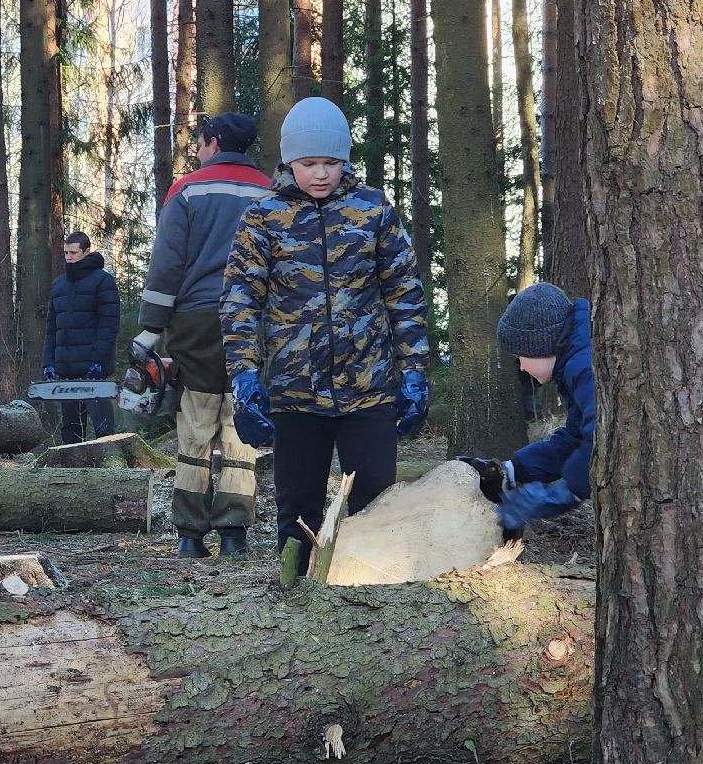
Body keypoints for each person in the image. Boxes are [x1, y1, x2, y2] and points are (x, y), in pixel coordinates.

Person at [221, 97, 430, 576]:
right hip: (295, 392)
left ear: (345, 160)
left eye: (331, 163)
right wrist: (244, 377)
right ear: (288, 161)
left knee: (377, 505)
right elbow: (240, 301)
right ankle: (295, 593)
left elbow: (404, 293)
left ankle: (375, 593)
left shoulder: (372, 210)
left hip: (369, 389)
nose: (320, 174)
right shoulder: (263, 217)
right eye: (309, 163)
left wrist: (415, 371)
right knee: (298, 508)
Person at [133, 112, 271, 558]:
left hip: (195, 320)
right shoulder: (270, 191)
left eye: (200, 142)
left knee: (196, 420)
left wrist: (152, 327)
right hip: (254, 319)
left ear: (214, 143)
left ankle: (190, 535)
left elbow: (167, 262)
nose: (196, 149)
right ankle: (234, 533)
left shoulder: (187, 190)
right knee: (240, 419)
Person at [461, 281, 595, 539]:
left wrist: (565, 491)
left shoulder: (584, 367)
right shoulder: (574, 362)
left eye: (520, 357)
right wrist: (513, 469)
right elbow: (576, 437)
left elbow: (601, 438)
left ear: (540, 345)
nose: (521, 367)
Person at [43, 232, 120, 444]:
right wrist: (49, 363)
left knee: (103, 426)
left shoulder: (103, 281)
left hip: (93, 368)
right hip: (66, 368)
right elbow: (52, 328)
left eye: (73, 253)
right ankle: (72, 461)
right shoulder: (59, 285)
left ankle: (110, 459)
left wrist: (98, 361)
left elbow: (109, 325)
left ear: (86, 252)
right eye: (66, 253)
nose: (69, 257)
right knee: (71, 428)